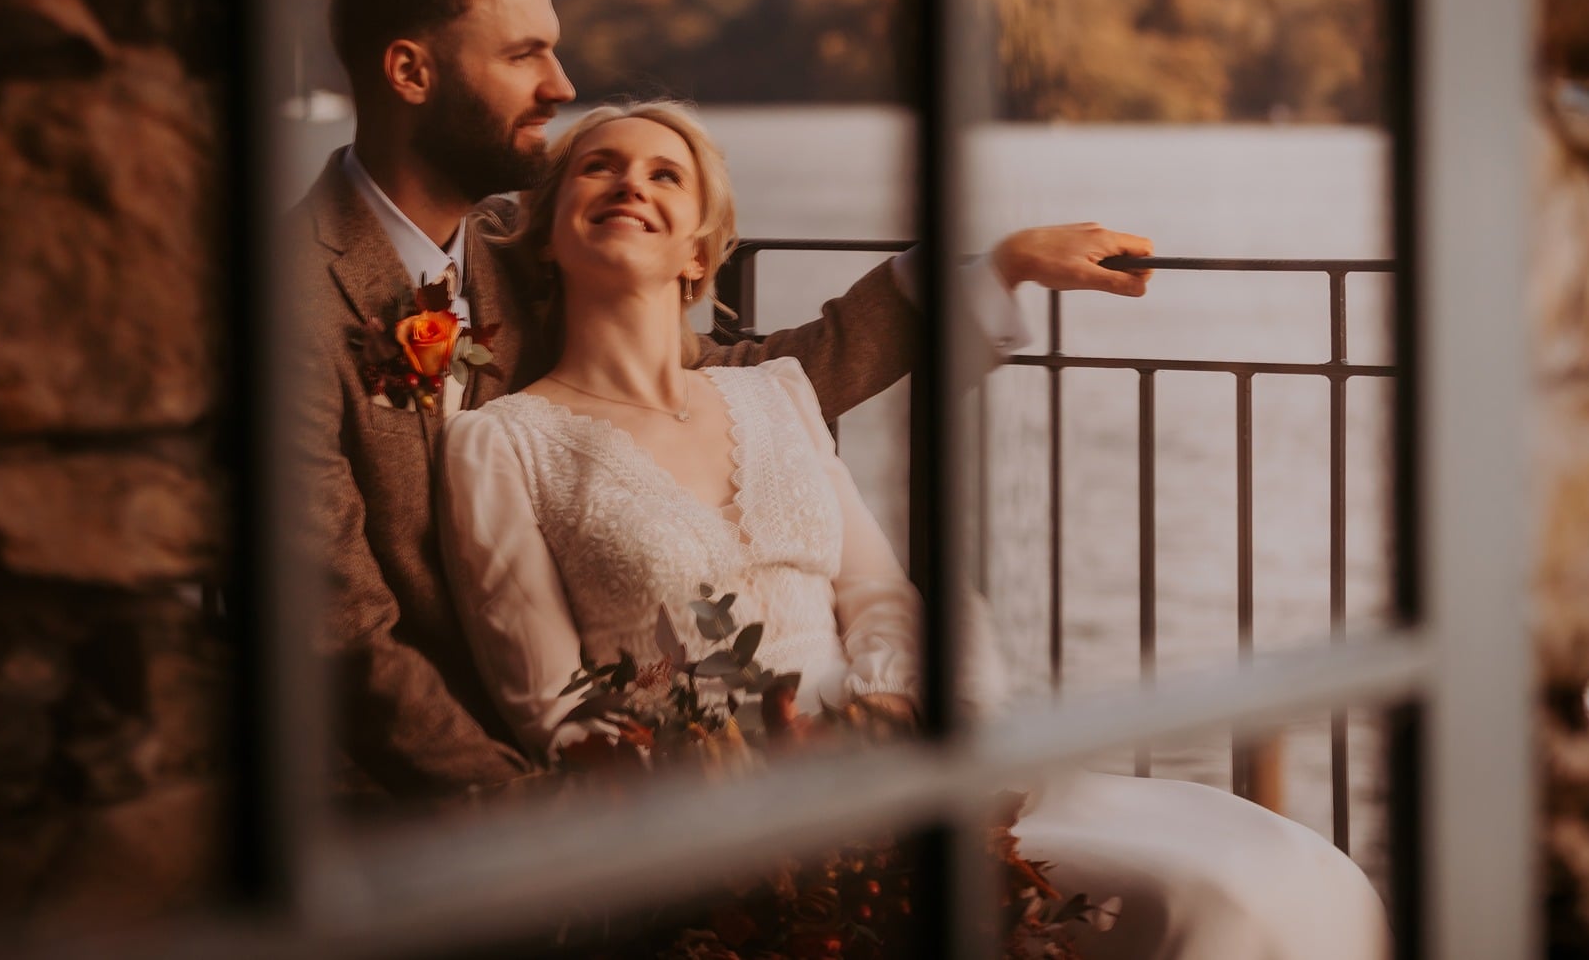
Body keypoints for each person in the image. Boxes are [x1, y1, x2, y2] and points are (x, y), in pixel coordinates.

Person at [438, 101, 1392, 960]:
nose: (629, 185)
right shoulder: (503, 443)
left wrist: (893, 718)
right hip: (713, 825)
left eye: (664, 174)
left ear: (699, 251)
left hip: (906, 774)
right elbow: (556, 709)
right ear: (548, 238)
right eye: (599, 167)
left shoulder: (772, 395)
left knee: (1299, 877)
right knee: (1201, 903)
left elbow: (879, 594)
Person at [291, 0, 1154, 800]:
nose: (562, 83)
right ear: (409, 72)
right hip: (434, 801)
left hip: (730, 782)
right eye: (525, 55)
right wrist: (547, 825)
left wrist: (995, 269)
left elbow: (750, 385)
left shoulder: (514, 244)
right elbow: (337, 633)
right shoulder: (283, 307)